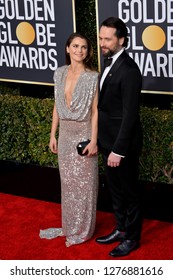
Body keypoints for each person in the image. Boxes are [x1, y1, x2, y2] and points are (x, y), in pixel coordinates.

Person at [39, 32, 99, 247]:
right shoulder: (60, 73)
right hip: (64, 134)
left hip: (83, 134)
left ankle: (83, 229)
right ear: (67, 48)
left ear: (88, 51)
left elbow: (95, 111)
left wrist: (94, 140)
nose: (79, 50)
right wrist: (52, 134)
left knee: (85, 185)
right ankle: (70, 224)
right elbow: (57, 105)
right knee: (68, 184)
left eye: (83, 47)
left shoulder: (93, 77)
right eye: (75, 46)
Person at [96, 17, 143, 257]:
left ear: (121, 40)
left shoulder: (130, 70)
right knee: (115, 190)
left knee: (130, 192)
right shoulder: (109, 62)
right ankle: (121, 228)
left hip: (121, 146)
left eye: (107, 39)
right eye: (101, 37)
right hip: (107, 142)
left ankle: (132, 238)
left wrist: (118, 150)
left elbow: (130, 115)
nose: (102, 42)